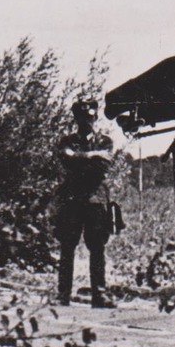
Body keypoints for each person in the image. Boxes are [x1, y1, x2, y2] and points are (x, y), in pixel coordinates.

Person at [54, 98, 123, 308]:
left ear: (95, 118)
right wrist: (92, 155)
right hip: (73, 199)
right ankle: (63, 294)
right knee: (67, 246)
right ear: (76, 119)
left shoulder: (105, 141)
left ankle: (99, 295)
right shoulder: (67, 141)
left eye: (90, 117)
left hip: (95, 199)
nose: (87, 121)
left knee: (97, 247)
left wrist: (78, 157)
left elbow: (102, 165)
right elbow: (66, 160)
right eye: (82, 118)